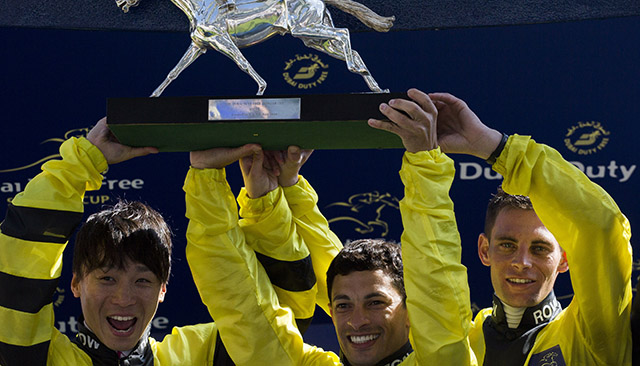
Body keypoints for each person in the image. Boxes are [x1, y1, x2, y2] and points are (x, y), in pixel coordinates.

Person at [183, 88, 476, 365]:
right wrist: (266, 194)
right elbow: (244, 308)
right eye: (343, 305)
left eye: (375, 302)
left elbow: (436, 279)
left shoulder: (442, 360)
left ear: (411, 310)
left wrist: (424, 161)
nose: (357, 321)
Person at [0, 117, 298, 365]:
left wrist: (244, 194)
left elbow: (271, 325)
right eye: (106, 278)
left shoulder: (198, 356)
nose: (123, 298)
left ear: (163, 289)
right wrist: (82, 163)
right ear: (76, 283)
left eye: (142, 281)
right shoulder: (39, 358)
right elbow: (19, 265)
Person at [371, 90, 632, 365]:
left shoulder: (594, 336)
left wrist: (493, 146)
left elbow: (602, 228)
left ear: (564, 258)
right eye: (507, 245)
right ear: (485, 250)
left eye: (540, 248)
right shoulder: (460, 342)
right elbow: (433, 281)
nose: (521, 262)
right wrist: (423, 162)